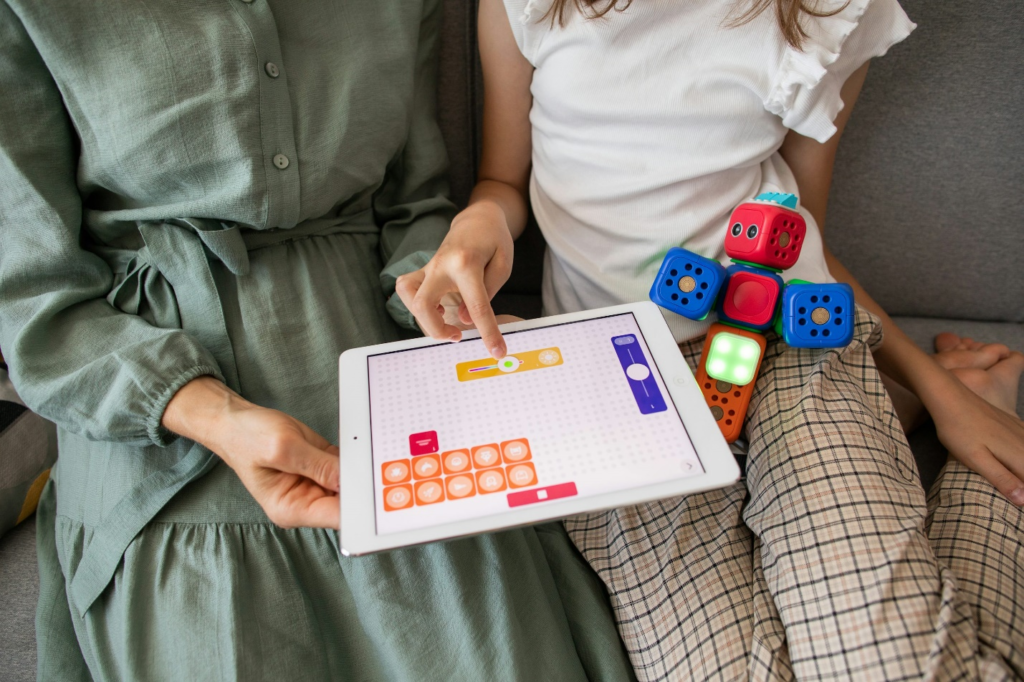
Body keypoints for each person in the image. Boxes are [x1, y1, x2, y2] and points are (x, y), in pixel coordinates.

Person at [0, 1, 639, 680]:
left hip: (387, 388)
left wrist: (445, 307)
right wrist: (214, 415)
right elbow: (36, 302)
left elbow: (412, 206)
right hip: (161, 430)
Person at [397, 0, 1024, 678]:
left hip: (791, 346)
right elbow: (501, 181)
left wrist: (934, 392)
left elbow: (804, 230)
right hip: (618, 383)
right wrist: (477, 223)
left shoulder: (831, 10)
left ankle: (955, 410)